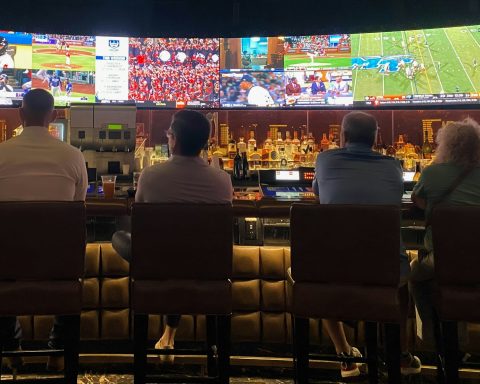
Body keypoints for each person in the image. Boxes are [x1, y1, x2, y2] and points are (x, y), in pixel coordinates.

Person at [112, 110, 233, 363]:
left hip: (155, 268)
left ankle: (164, 336)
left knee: (118, 236)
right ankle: (171, 336)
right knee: (183, 251)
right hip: (207, 270)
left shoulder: (151, 176)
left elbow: (140, 220)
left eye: (168, 136)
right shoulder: (222, 180)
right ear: (206, 142)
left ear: (173, 139)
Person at [312, 111, 421, 378]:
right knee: (402, 275)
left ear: (343, 136)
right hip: (385, 272)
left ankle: (345, 355)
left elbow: (318, 192)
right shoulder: (393, 166)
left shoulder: (324, 160)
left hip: (334, 272)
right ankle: (401, 355)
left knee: (313, 272)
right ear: (375, 138)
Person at [0, 89, 88, 371]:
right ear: (53, 116)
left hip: (6, 265)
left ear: (20, 114)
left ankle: (11, 350)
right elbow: (78, 206)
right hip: (59, 267)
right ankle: (58, 353)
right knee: (70, 260)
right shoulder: (74, 156)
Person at [411, 118, 480, 346]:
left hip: (442, 260)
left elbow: (419, 202)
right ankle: (462, 342)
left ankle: (433, 337)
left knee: (416, 276)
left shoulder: (432, 174)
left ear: (445, 146)